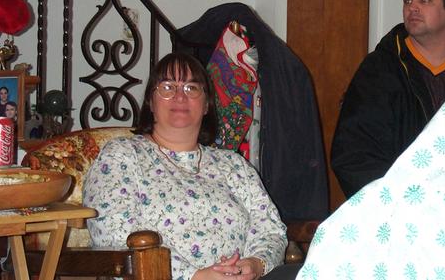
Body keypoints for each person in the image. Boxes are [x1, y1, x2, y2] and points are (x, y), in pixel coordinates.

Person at [84, 53, 297, 280]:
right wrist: (194, 276)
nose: (180, 96)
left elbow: (271, 230)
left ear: (206, 105)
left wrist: (256, 264)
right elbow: (111, 231)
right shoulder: (122, 155)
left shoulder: (234, 165)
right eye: (167, 87)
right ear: (151, 102)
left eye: (191, 88)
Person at [331, 0, 445, 198]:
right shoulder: (380, 70)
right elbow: (354, 155)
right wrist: (398, 199)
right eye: (407, 0)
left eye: (424, 0)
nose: (413, 7)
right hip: (402, 206)